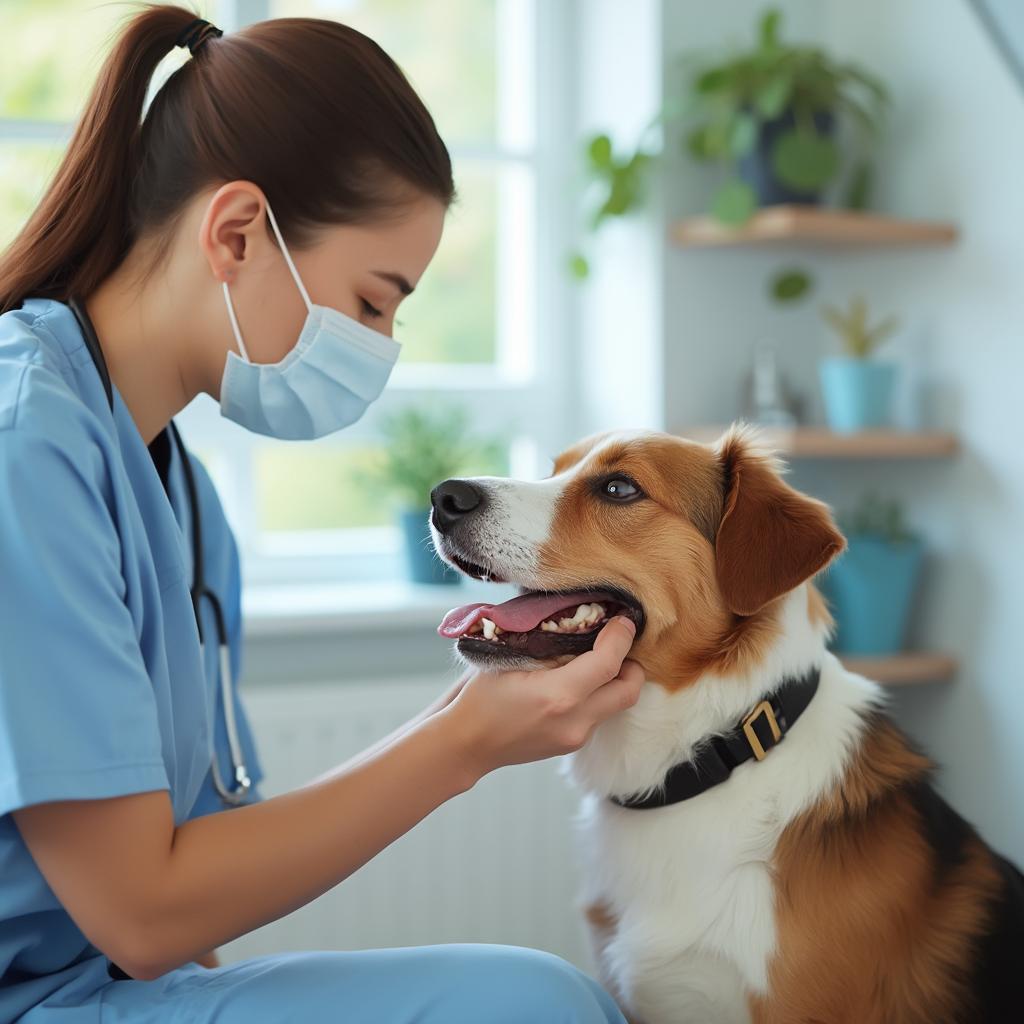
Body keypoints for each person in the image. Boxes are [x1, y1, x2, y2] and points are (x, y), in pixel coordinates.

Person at [0, 5, 644, 1022]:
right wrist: (464, 744)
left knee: (541, 995)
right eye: (374, 301)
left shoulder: (184, 499)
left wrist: (465, 719)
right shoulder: (25, 446)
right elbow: (140, 909)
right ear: (239, 232)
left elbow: (183, 904)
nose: (381, 347)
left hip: (112, 985)